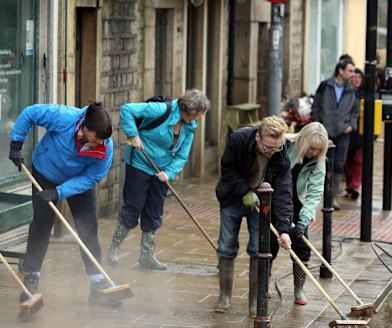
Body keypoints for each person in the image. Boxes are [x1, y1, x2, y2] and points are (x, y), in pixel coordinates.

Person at [9, 102, 117, 305]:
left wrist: (59, 192)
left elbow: (92, 178)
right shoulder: (64, 117)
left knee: (88, 230)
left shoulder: (105, 148)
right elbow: (30, 113)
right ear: (84, 126)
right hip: (45, 173)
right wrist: (16, 143)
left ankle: (97, 285)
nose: (96, 146)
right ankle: (31, 279)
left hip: (77, 182)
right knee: (41, 226)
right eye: (92, 141)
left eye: (100, 143)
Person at [107, 89, 210, 270]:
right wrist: (133, 135)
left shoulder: (189, 128)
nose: (197, 119)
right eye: (197, 115)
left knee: (154, 211)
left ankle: (146, 257)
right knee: (133, 207)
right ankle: (113, 249)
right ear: (189, 110)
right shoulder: (161, 110)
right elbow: (127, 110)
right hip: (140, 162)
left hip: (161, 172)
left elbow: (181, 156)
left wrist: (168, 173)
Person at [214, 115, 293, 317]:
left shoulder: (282, 152)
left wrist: (284, 229)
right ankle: (224, 296)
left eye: (276, 148)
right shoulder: (239, 139)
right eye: (268, 148)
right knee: (226, 245)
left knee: (258, 249)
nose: (271, 152)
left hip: (262, 202)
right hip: (233, 196)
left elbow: (284, 192)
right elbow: (228, 171)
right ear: (258, 137)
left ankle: (254, 302)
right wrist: (245, 192)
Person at [269, 122, 328, 305]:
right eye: (312, 148)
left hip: (298, 205)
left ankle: (299, 289)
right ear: (303, 141)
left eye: (319, 149)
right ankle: (264, 284)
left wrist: (303, 221)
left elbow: (315, 192)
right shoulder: (285, 146)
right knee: (269, 245)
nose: (315, 153)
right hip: (275, 200)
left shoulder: (319, 161)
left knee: (302, 246)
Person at [311, 57, 360, 210]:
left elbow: (355, 111)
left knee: (339, 164)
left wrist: (351, 125)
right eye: (350, 71)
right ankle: (317, 195)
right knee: (321, 164)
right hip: (324, 132)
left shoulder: (352, 90)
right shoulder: (325, 86)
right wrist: (318, 124)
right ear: (341, 71)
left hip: (343, 133)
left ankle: (332, 199)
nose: (353, 74)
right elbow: (316, 107)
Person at [344, 67, 364, 200]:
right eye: (354, 77)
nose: (356, 80)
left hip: (361, 134)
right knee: (347, 160)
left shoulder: (366, 94)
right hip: (348, 132)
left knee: (358, 160)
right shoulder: (346, 93)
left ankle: (355, 185)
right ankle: (350, 185)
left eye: (359, 77)